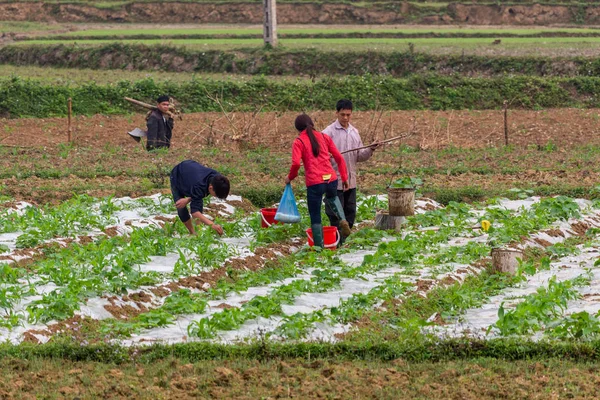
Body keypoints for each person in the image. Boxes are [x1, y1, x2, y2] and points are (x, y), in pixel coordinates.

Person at [285, 114, 351, 248]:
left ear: (298, 128)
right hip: (331, 179)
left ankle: (319, 248)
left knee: (315, 215)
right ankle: (343, 220)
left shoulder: (299, 142)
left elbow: (296, 164)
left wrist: (290, 177)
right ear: (312, 124)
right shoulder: (324, 137)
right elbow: (338, 157)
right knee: (332, 198)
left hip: (315, 182)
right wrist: (344, 178)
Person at [322, 99, 379, 234]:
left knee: (350, 213)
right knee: (336, 215)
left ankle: (345, 240)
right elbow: (319, 156)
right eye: (343, 114)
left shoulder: (354, 132)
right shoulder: (328, 133)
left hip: (351, 181)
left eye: (348, 115)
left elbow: (359, 156)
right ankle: (336, 241)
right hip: (334, 182)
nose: (346, 118)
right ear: (336, 113)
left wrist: (371, 149)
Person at [170, 160, 230, 235]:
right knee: (181, 207)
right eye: (216, 195)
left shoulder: (218, 178)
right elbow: (195, 213)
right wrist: (212, 225)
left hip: (191, 172)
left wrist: (188, 199)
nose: (215, 197)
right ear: (211, 188)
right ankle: (192, 232)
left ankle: (198, 231)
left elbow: (197, 196)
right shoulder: (199, 186)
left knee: (198, 201)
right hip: (177, 176)